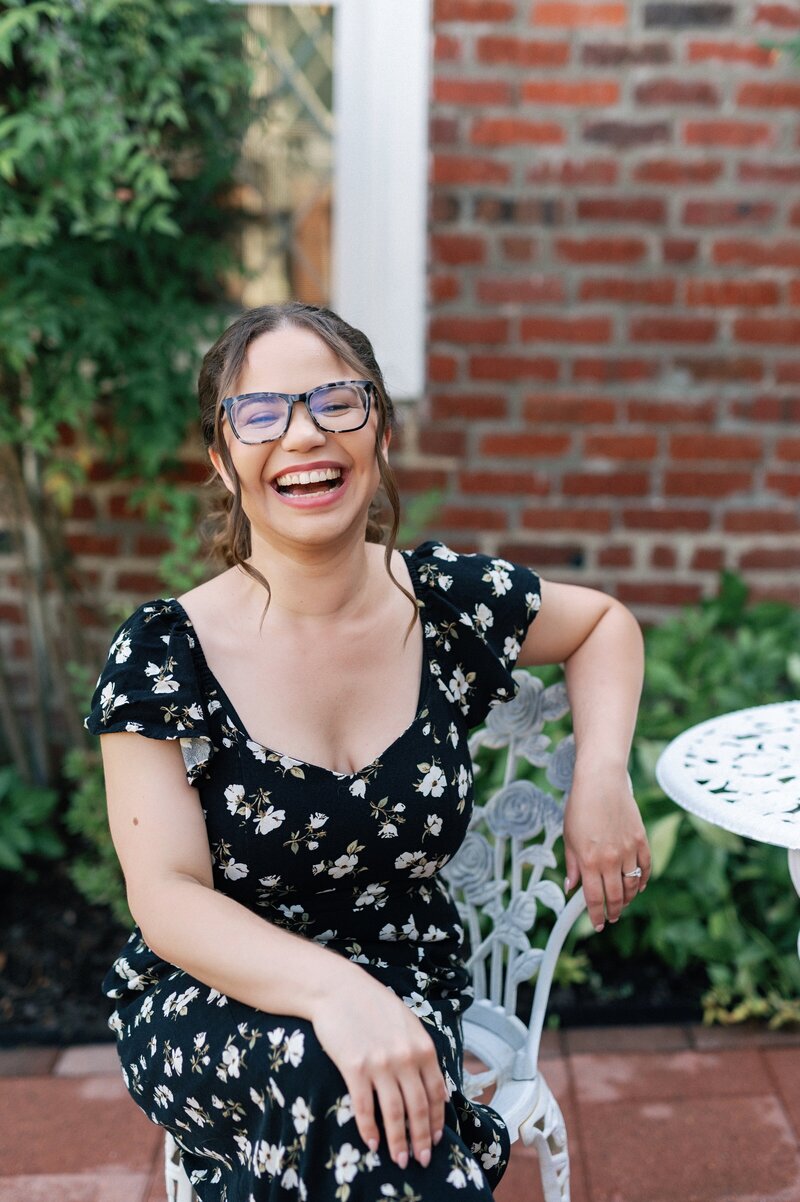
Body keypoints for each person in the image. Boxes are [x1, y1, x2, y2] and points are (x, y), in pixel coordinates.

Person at [86, 302, 650, 1202]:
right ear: (222, 462)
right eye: (260, 413)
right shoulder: (164, 650)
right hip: (210, 990)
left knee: (368, 1109)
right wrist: (334, 999)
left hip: (403, 969)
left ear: (379, 431)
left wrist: (603, 777)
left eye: (334, 402)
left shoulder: (442, 602)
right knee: (348, 1092)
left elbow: (605, 627)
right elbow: (167, 899)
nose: (303, 434)